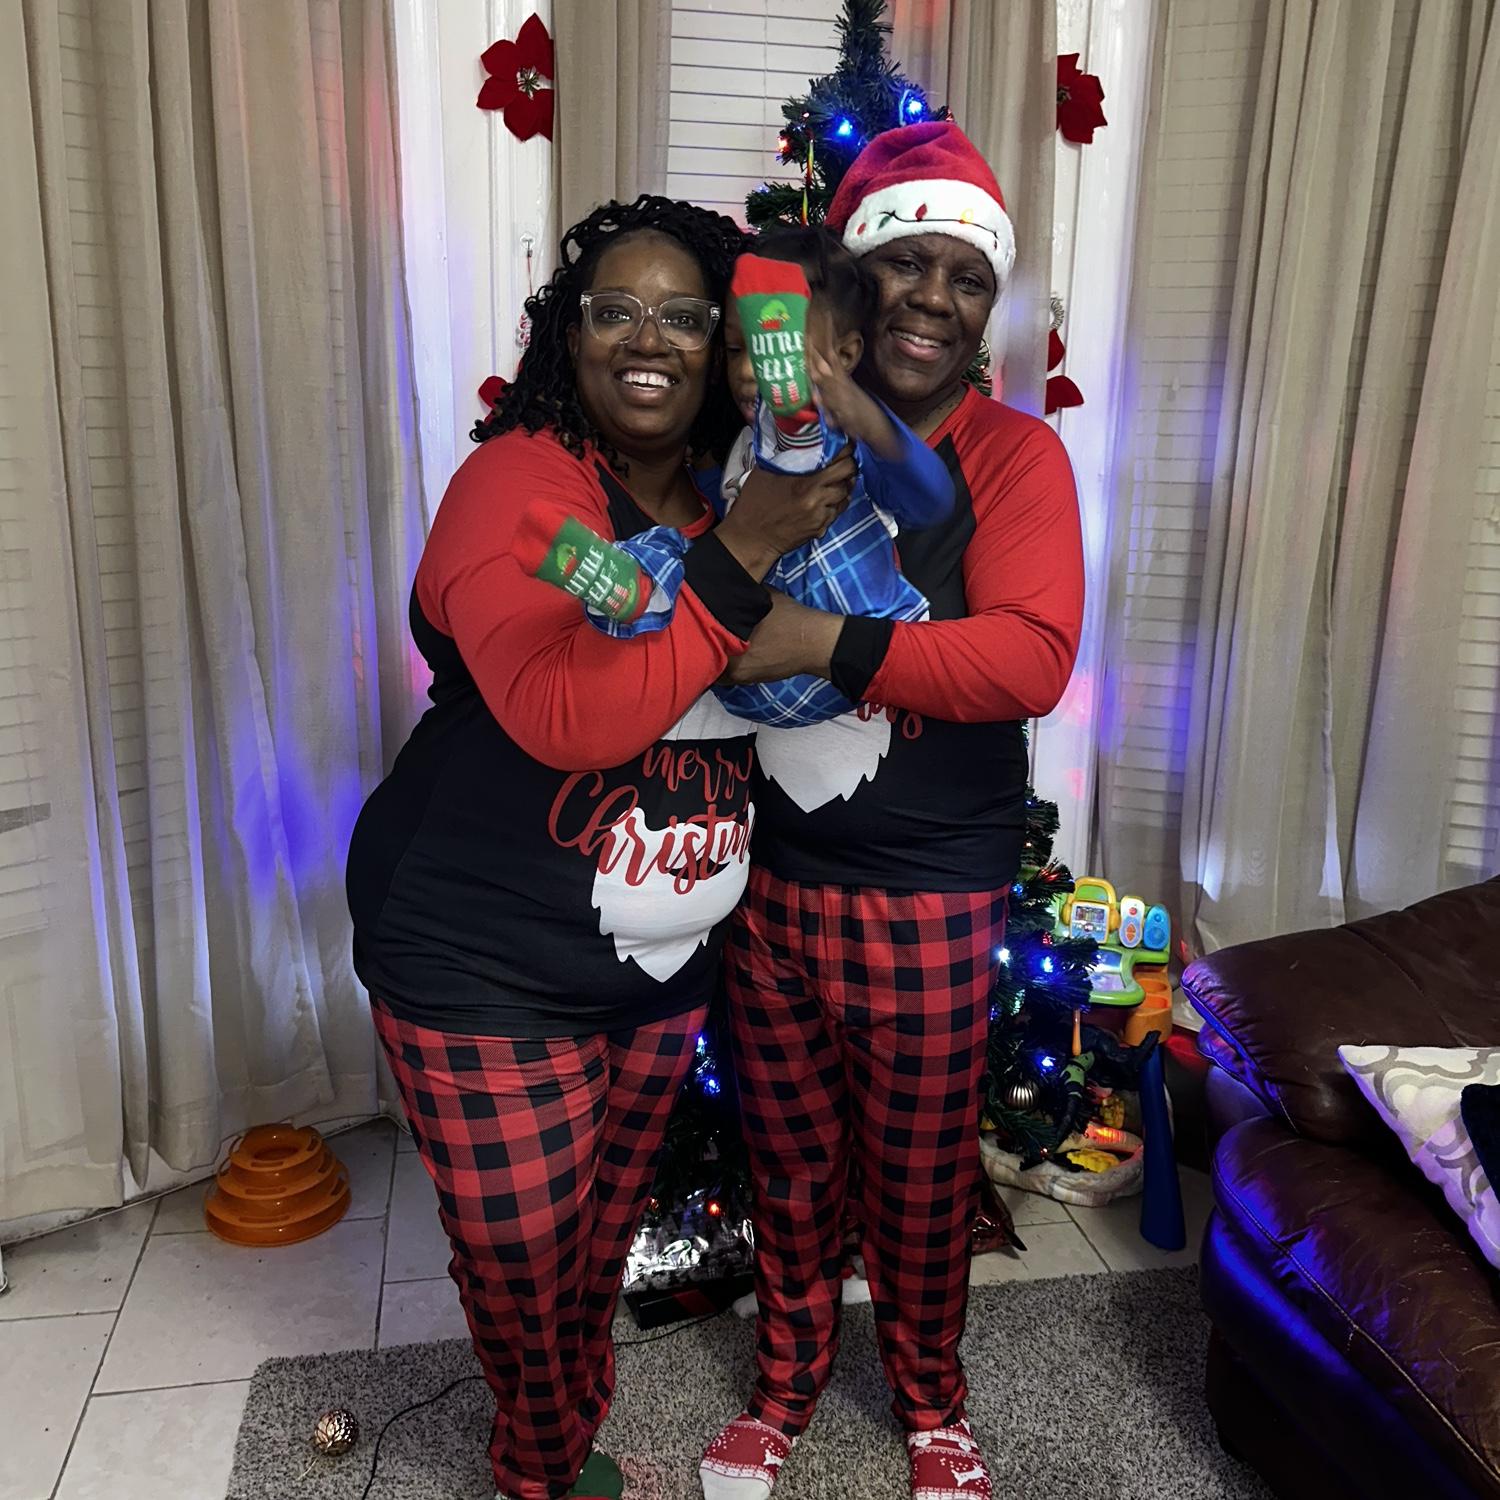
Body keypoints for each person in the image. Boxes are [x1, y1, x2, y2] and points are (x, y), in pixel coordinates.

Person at [346, 195, 856, 1500]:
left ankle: (564, 1436)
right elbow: (567, 714)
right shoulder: (519, 486)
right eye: (615, 309)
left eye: (685, 316)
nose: (649, 338)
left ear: (726, 342)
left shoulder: (744, 479)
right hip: (477, 953)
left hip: (656, 966)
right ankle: (542, 1467)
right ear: (566, 334)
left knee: (589, 1253)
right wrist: (748, 546)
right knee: (523, 1258)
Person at [699, 123, 1086, 1500]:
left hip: (929, 886)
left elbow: (1027, 661)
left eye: (968, 278)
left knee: (920, 1179)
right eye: (906, 264)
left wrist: (817, 642)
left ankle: (931, 1404)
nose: (936, 298)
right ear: (851, 284)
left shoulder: (1016, 456)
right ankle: (785, 1383)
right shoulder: (761, 430)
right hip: (767, 877)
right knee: (788, 1162)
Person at [522, 226, 953, 731]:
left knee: (815, 444)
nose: (749, 372)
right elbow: (714, 528)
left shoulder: (860, 443)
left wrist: (864, 414)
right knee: (672, 548)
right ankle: (632, 588)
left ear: (845, 356)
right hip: (746, 681)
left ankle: (797, 430)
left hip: (847, 653)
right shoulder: (736, 453)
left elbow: (931, 500)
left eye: (777, 354)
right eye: (734, 350)